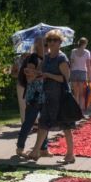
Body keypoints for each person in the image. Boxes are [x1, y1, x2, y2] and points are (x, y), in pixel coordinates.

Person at [27, 30, 77, 162]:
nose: (52, 43)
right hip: (48, 96)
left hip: (61, 97)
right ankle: (36, 151)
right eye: (49, 40)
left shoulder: (62, 58)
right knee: (43, 123)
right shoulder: (47, 57)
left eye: (55, 40)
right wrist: (33, 73)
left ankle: (70, 154)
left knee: (66, 125)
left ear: (60, 43)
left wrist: (48, 75)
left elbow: (66, 78)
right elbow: (42, 73)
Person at [15, 38, 47, 158]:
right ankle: (20, 147)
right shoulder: (32, 58)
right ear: (37, 45)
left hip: (45, 94)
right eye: (43, 43)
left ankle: (44, 149)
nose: (47, 45)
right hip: (34, 95)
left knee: (44, 122)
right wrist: (41, 70)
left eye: (46, 43)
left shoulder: (46, 58)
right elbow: (29, 78)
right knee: (29, 121)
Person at [69, 37, 91, 113]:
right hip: (83, 73)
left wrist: (69, 74)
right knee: (82, 93)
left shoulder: (73, 51)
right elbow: (88, 66)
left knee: (76, 93)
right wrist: (89, 77)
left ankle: (76, 109)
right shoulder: (87, 52)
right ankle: (81, 110)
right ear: (85, 43)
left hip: (74, 72)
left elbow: (71, 64)